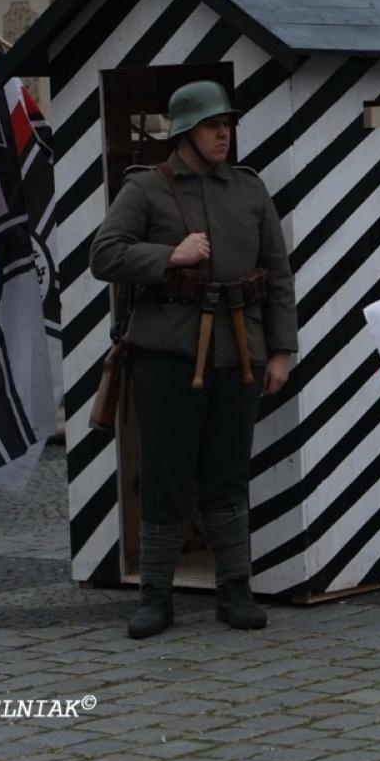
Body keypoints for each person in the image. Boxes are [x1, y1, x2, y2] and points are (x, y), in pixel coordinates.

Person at [90, 81, 297, 640]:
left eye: (226, 123)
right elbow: (103, 255)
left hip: (241, 353)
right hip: (169, 353)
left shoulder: (249, 189)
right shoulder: (147, 190)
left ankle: (235, 591)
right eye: (212, 125)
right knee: (167, 474)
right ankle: (156, 597)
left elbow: (276, 275)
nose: (223, 133)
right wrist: (168, 256)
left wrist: (280, 349)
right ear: (184, 130)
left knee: (228, 474)